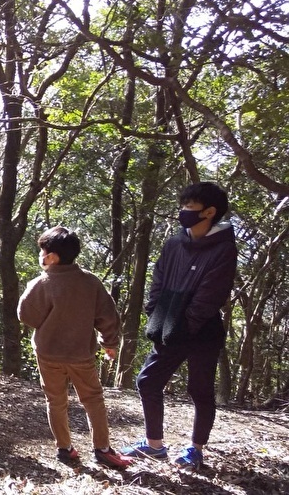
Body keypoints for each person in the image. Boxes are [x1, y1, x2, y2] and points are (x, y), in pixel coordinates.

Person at [121, 182, 237, 470]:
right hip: (169, 327)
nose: (183, 212)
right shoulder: (174, 243)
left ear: (209, 212)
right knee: (147, 381)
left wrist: (185, 325)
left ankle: (196, 450)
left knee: (200, 390)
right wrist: (155, 314)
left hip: (203, 333)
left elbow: (211, 296)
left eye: (190, 208)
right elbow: (158, 279)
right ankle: (154, 445)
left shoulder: (224, 249)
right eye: (182, 207)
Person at [17, 226, 133, 468]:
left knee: (55, 400)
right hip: (81, 354)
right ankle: (102, 449)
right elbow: (108, 315)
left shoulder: (41, 283)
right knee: (93, 399)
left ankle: (64, 448)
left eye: (42, 251)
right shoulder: (90, 282)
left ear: (51, 257)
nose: (41, 256)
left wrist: (47, 322)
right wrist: (109, 343)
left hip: (48, 353)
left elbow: (25, 315)